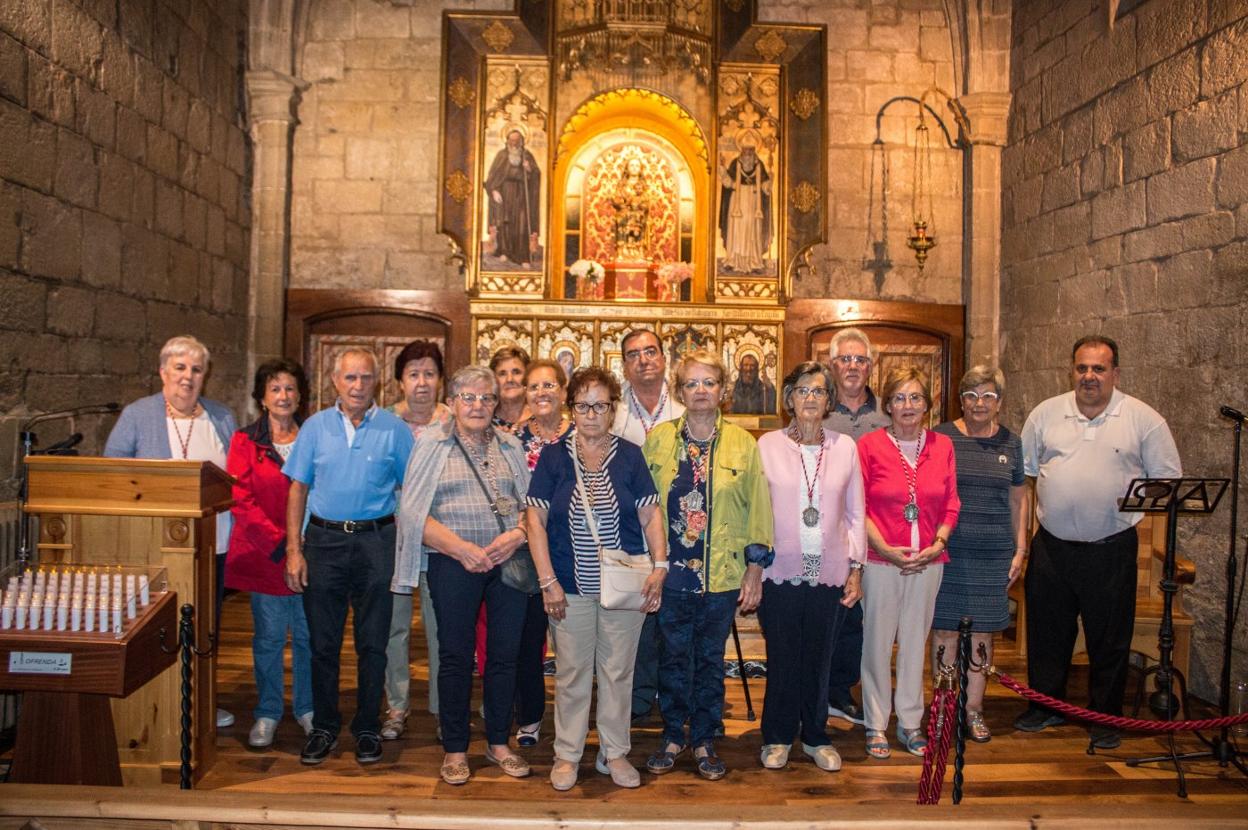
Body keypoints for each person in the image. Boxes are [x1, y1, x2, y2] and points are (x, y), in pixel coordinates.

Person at [1016, 335, 1181, 749]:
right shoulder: (1045, 414)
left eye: (1099, 369)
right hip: (1052, 545)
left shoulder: (1143, 418)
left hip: (1112, 547)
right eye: (1082, 368)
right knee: (1047, 633)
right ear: (1071, 370)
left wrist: (1135, 496)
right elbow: (1026, 473)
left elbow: (1168, 478)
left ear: (1115, 373)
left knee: (1110, 638)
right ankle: (1046, 708)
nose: (1089, 376)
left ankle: (1106, 717)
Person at [526, 367, 668, 791]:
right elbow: (535, 520)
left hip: (623, 586)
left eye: (600, 405)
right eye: (583, 405)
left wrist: (660, 566)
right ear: (573, 408)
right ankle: (567, 755)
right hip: (568, 586)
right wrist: (547, 580)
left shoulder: (629, 455)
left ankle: (614, 752)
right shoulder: (554, 457)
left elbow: (650, 512)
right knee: (571, 673)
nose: (591, 414)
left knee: (618, 672)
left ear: (612, 409)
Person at [393, 365, 532, 786]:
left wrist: (517, 534)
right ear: (451, 402)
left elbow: (530, 505)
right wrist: (461, 549)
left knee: (504, 657)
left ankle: (498, 742)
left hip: (507, 562)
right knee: (454, 658)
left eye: (486, 398)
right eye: (468, 397)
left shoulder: (509, 445)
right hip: (453, 563)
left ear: (496, 404)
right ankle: (454, 748)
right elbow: (413, 513)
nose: (477, 405)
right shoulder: (432, 444)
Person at [642, 350, 774, 780]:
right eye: (691, 384)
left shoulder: (743, 443)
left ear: (723, 390)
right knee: (673, 659)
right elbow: (642, 507)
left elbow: (759, 509)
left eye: (709, 383)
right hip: (670, 573)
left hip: (720, 575)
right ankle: (672, 734)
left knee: (710, 661)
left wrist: (755, 569)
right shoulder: (659, 440)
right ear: (679, 392)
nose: (700, 391)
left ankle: (702, 738)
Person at [283, 349, 415, 766]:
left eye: (366, 378)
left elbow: (410, 491)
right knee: (322, 643)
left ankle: (366, 728)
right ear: (335, 381)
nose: (358, 386)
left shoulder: (395, 430)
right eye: (350, 378)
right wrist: (293, 550)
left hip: (377, 541)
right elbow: (297, 489)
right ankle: (323, 726)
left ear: (377, 382)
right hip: (322, 543)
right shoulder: (315, 428)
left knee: (373, 644)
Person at [105, 334, 238, 729]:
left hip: (213, 542)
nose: (188, 376)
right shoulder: (138, 414)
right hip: (155, 543)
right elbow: (113, 469)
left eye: (196, 369)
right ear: (163, 372)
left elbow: (235, 475)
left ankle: (201, 703)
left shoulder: (221, 416)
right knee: (156, 626)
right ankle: (157, 705)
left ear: (205, 376)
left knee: (205, 625)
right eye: (179, 367)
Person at [756, 361, 865, 772]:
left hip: (831, 570)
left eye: (818, 391)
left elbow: (856, 513)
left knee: (821, 657)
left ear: (828, 400)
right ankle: (778, 736)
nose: (810, 398)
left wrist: (856, 567)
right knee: (783, 654)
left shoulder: (846, 448)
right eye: (802, 390)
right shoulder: (766, 446)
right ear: (789, 398)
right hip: (779, 568)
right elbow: (757, 511)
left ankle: (816, 736)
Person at [857, 365, 959, 760]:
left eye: (916, 397)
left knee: (916, 643)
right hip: (881, 561)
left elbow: (951, 501)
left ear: (927, 405)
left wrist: (939, 542)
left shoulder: (943, 446)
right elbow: (858, 504)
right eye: (899, 397)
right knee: (877, 644)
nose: (908, 405)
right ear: (888, 405)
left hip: (930, 560)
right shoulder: (869, 446)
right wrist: (882, 547)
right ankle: (876, 723)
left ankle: (911, 723)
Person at [929, 366, 1029, 743]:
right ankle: (942, 708)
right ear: (961, 400)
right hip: (949, 549)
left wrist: (1020, 549)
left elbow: (1018, 499)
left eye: (988, 396)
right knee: (945, 630)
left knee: (985, 634)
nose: (979, 403)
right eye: (971, 396)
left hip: (993, 553)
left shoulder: (1011, 443)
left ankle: (973, 709)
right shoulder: (941, 437)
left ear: (999, 402)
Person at [225, 359, 314, 748]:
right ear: (262, 397)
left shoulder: (313, 437)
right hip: (266, 556)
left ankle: (309, 708)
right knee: (269, 638)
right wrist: (282, 544)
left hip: (311, 553)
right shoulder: (245, 441)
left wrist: (307, 544)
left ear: (300, 396)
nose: (283, 396)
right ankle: (268, 711)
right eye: (275, 388)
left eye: (290, 388)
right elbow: (239, 498)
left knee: (311, 637)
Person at [611, 327, 684, 722]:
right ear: (624, 365)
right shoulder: (613, 411)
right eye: (634, 354)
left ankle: (674, 693)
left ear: (664, 357)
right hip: (630, 528)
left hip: (684, 523)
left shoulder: (686, 403)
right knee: (635, 615)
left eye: (651, 351)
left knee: (674, 615)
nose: (644, 359)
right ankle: (638, 694)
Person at [380, 340, 451, 741]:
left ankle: (445, 706)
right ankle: (396, 704)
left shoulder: (454, 419)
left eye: (429, 374)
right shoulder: (386, 423)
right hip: (396, 541)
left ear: (440, 380)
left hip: (444, 541)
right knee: (395, 628)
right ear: (399, 381)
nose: (421, 383)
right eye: (413, 374)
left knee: (443, 628)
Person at [821, 327, 890, 727]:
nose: (852, 366)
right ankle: (824, 689)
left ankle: (847, 689)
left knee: (861, 620)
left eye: (860, 359)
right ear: (833, 365)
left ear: (870, 366)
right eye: (845, 359)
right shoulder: (818, 410)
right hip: (829, 533)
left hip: (878, 534)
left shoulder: (886, 415)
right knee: (832, 615)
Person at [510, 358, 572, 746]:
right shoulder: (512, 440)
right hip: (527, 550)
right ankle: (530, 717)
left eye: (550, 385)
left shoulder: (582, 435)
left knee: (573, 645)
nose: (542, 393)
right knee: (528, 641)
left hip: (574, 549)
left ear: (564, 392)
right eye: (534, 387)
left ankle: (572, 722)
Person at [484, 128, 540, 267]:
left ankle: (523, 257)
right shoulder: (501, 155)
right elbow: (492, 177)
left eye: (517, 140)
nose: (514, 143)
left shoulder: (527, 155)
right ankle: (504, 251)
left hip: (521, 193)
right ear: (507, 141)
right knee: (504, 222)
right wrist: (494, 191)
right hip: (504, 192)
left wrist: (529, 169)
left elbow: (536, 174)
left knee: (521, 224)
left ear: (521, 141)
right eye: (511, 140)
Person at [718, 144, 772, 273]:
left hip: (754, 202)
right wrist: (722, 169)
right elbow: (728, 183)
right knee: (736, 230)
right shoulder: (734, 164)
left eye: (750, 151)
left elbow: (765, 186)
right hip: (737, 202)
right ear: (741, 151)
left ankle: (754, 261)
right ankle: (733, 260)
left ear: (754, 151)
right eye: (745, 151)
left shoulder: (759, 165)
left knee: (752, 230)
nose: (748, 154)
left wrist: (769, 180)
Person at [611, 156, 650, 260]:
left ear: (640, 169)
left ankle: (638, 250)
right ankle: (622, 250)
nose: (634, 167)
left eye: (637, 165)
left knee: (638, 224)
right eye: (631, 165)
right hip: (624, 214)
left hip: (639, 215)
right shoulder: (622, 185)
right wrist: (623, 204)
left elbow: (647, 200)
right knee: (622, 221)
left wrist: (640, 205)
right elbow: (616, 198)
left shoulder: (643, 185)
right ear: (627, 168)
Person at [491, 345, 531, 431]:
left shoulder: (541, 417)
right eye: (502, 373)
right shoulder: (484, 419)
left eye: (516, 372)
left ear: (527, 377)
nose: (509, 379)